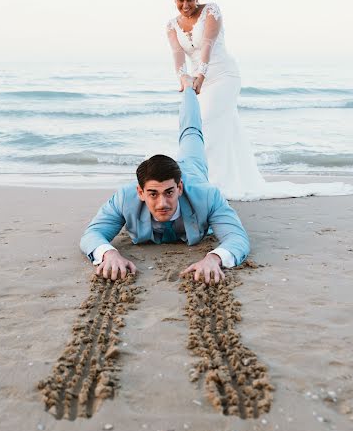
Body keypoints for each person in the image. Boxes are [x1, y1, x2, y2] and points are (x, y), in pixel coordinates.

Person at [167, 0, 353, 200]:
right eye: (180, 0)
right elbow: (177, 54)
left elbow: (208, 44)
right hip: (199, 84)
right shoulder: (172, 25)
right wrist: (184, 77)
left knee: (208, 123)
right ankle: (224, 178)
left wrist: (200, 75)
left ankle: (211, 184)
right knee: (219, 130)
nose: (185, 5)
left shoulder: (211, 11)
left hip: (223, 76)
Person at [80, 79, 250, 284]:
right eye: (153, 193)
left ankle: (189, 90)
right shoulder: (125, 198)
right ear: (140, 192)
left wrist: (214, 258)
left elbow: (237, 238)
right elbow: (93, 234)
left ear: (179, 188)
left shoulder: (208, 196)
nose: (162, 203)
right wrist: (109, 254)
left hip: (191, 166)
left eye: (169, 192)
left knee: (191, 133)